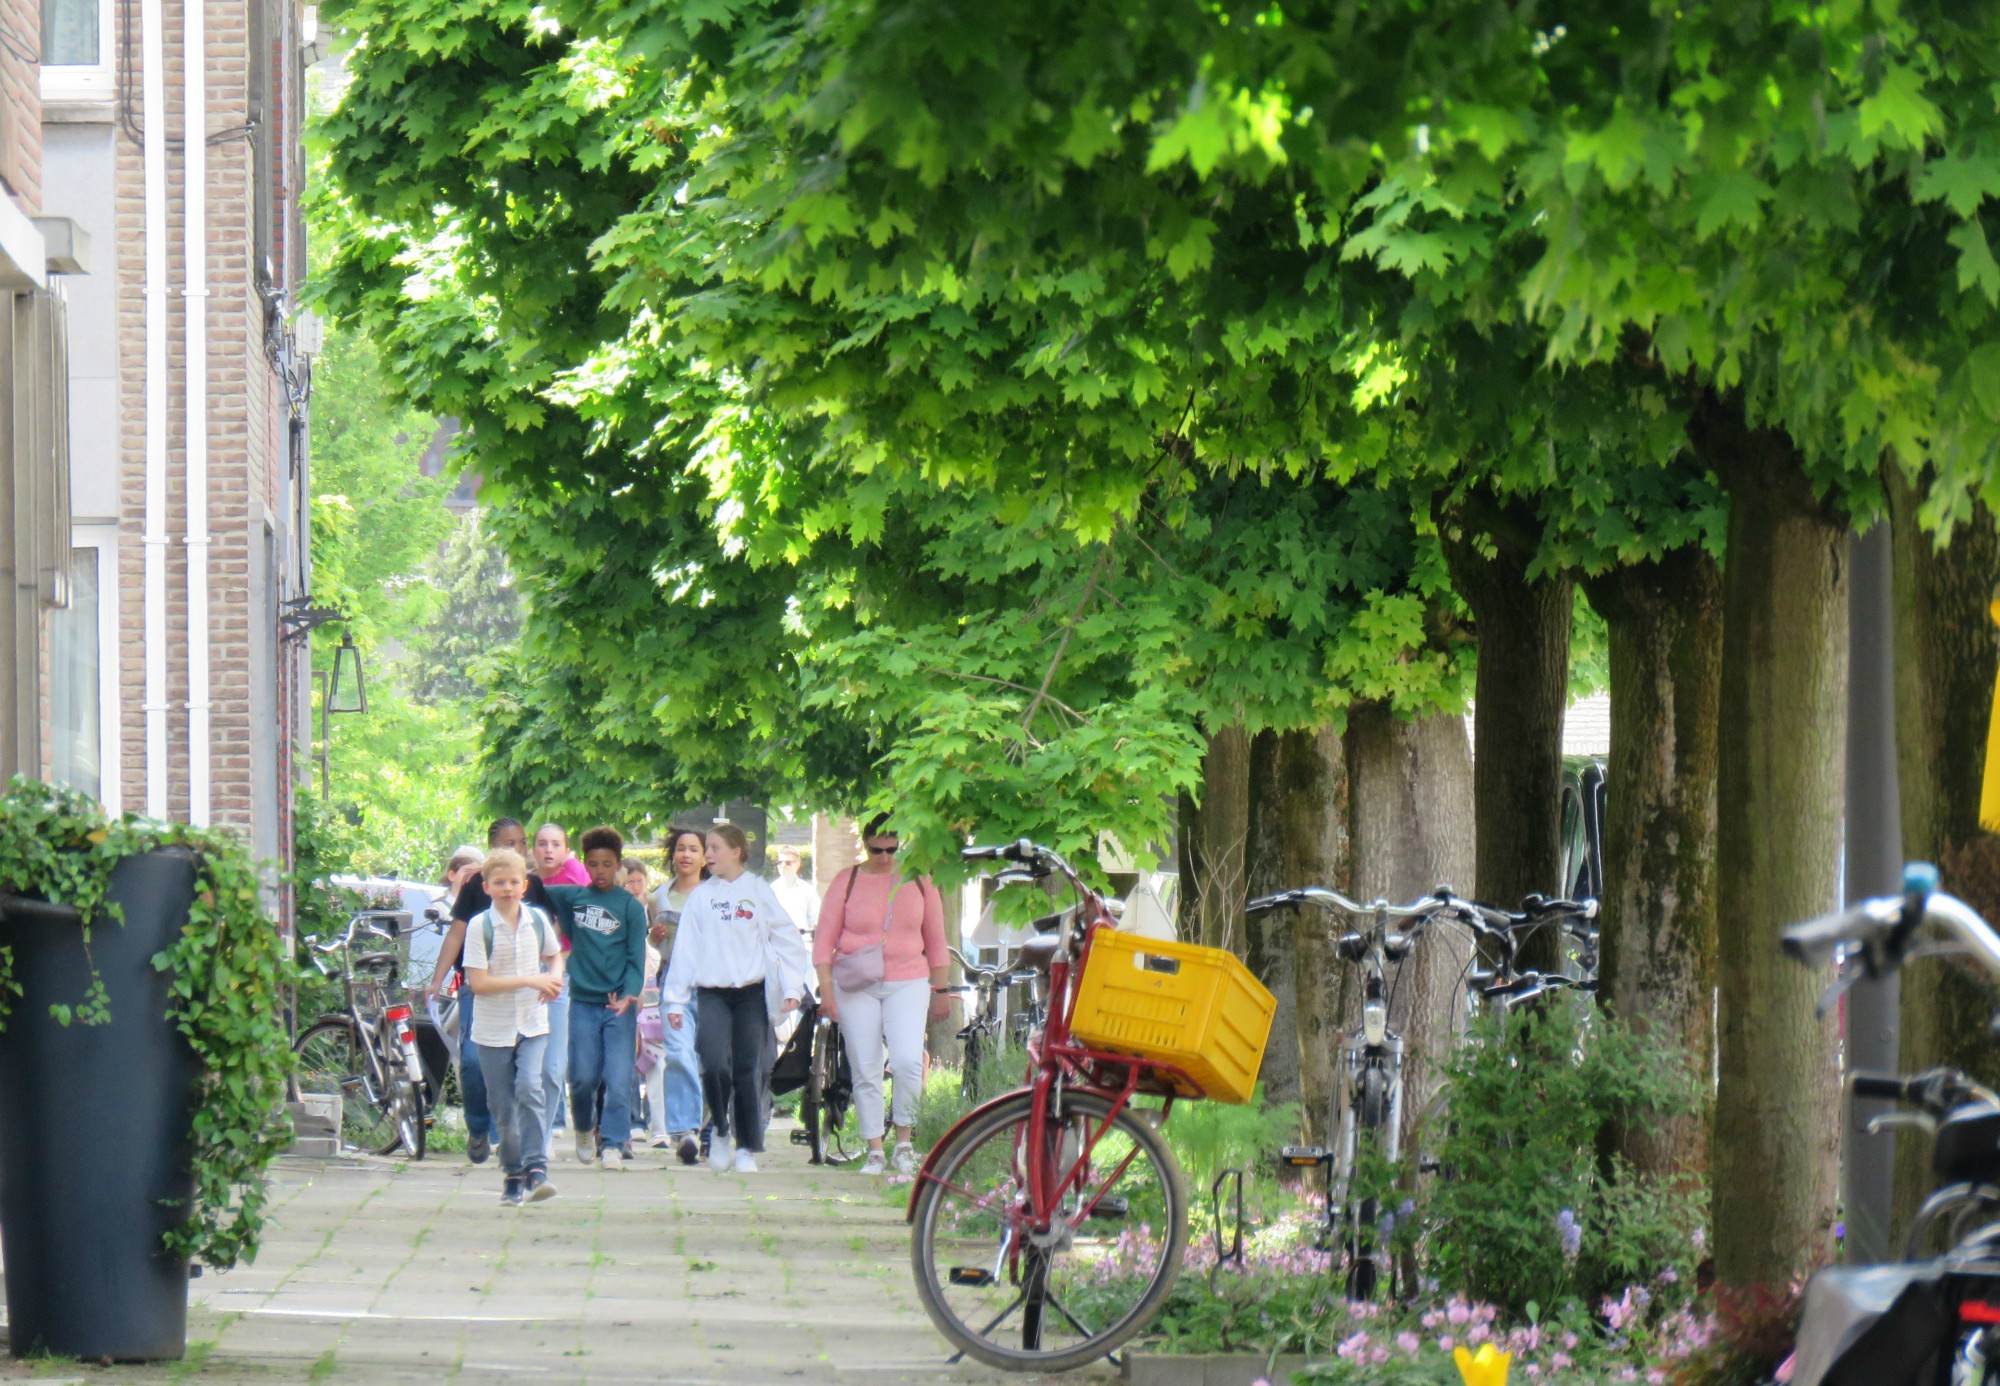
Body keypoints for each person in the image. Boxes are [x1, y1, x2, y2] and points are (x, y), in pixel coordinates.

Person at [663, 823, 811, 1174]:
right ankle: (720, 1130)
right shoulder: (702, 896)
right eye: (707, 849)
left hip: (750, 994)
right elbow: (685, 950)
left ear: (737, 852)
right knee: (714, 1063)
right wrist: (674, 999)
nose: (708, 855)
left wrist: (792, 988)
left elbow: (787, 940)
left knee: (748, 1068)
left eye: (714, 848)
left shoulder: (758, 891)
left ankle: (746, 1145)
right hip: (712, 993)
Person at [814, 814, 950, 1176]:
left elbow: (937, 941)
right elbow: (824, 939)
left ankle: (904, 1141)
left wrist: (942, 990)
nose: (886, 857)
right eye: (877, 850)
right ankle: (874, 1146)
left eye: (893, 849)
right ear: (866, 844)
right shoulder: (848, 880)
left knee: (907, 1060)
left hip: (908, 977)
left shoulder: (920, 880)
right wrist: (827, 989)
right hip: (857, 981)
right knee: (865, 1063)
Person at [432, 817, 562, 1166]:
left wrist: (552, 975)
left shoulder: (530, 886)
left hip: (526, 998)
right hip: (482, 987)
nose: (517, 849)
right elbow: (456, 935)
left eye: (521, 843)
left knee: (526, 1077)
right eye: (508, 844)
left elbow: (552, 936)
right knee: (473, 1062)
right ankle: (478, 1127)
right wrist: (436, 979)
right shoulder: (478, 886)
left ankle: (516, 1147)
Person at [461, 848, 565, 1206]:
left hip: (533, 1024)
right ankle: (512, 1174)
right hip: (492, 1029)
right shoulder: (480, 926)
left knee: (530, 1087)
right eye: (500, 882)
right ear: (487, 886)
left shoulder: (537, 919)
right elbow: (479, 983)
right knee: (503, 1107)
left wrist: (552, 978)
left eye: (514, 882)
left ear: (526, 885)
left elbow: (556, 954)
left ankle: (537, 1169)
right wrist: (531, 980)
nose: (508, 888)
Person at [542, 827, 650, 1171]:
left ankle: (614, 1143)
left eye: (607, 864)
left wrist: (631, 993)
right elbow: (533, 889)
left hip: (618, 1004)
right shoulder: (573, 897)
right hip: (583, 1003)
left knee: (618, 1079)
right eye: (594, 864)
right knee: (583, 1078)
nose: (600, 871)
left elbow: (637, 957)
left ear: (618, 866)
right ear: (585, 865)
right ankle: (585, 1127)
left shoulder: (630, 907)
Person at [649, 828, 708, 1165]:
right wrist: (654, 935)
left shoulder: (715, 894)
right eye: (681, 849)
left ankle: (709, 1124)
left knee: (710, 1059)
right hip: (673, 982)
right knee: (679, 1052)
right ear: (672, 855)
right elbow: (656, 941)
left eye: (694, 849)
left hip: (711, 982)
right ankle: (686, 1131)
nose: (686, 855)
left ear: (704, 857)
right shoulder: (658, 897)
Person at [623, 858, 669, 1150]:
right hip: (628, 990)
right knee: (626, 1058)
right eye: (629, 881)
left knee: (657, 1059)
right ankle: (632, 1121)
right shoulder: (621, 909)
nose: (635, 887)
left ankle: (660, 1126)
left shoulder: (653, 906)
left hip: (652, 991)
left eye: (639, 881)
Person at [770, 845, 820, 938]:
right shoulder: (770, 890)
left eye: (788, 862)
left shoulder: (808, 890)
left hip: (802, 944)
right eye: (780, 862)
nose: (783, 865)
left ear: (798, 864)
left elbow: (816, 919)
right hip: (777, 945)